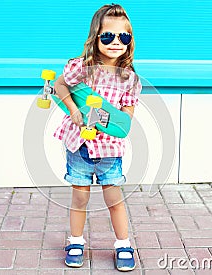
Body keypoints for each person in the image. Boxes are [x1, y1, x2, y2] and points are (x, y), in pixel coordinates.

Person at [53, 3, 142, 272]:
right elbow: (59, 84)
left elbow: (125, 121)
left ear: (130, 42)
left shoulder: (130, 79)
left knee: (114, 199)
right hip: (78, 145)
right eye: (108, 36)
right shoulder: (81, 68)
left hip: (109, 150)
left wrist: (104, 119)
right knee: (80, 198)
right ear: (96, 38)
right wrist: (73, 110)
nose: (116, 42)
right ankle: (76, 241)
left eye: (123, 37)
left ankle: (123, 244)